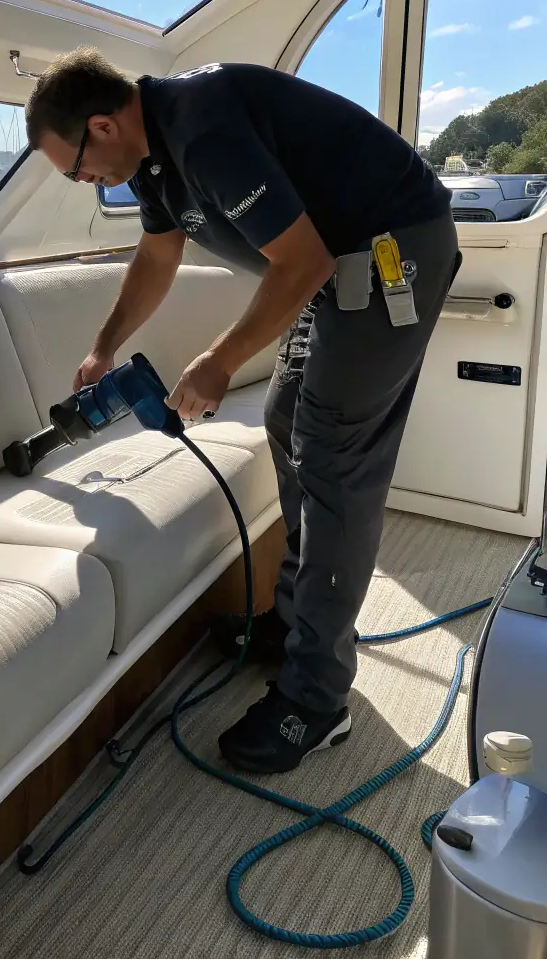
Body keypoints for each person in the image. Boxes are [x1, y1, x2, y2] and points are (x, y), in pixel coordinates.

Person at [26, 47, 459, 773]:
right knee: (286, 420)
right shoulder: (153, 160)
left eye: (74, 169)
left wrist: (219, 360)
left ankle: (317, 698)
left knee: (331, 455)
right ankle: (295, 625)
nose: (83, 182)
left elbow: (304, 262)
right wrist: (104, 348)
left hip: (391, 251)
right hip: (334, 270)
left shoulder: (202, 128)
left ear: (100, 126)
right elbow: (157, 257)